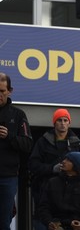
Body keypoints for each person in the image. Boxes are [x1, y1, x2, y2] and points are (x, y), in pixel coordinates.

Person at [30, 108, 80, 226]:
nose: (62, 123)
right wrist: (52, 169)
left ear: (69, 123)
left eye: (65, 120)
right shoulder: (43, 142)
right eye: (59, 120)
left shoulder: (77, 142)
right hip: (45, 189)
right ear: (54, 123)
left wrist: (76, 173)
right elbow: (33, 164)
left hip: (73, 192)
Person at [0, 73, 32, 230]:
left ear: (9, 91)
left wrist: (9, 136)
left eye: (2, 91)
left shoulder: (18, 115)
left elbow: (27, 144)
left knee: (4, 221)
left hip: (7, 177)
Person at [37, 151, 80, 230]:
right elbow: (43, 206)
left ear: (76, 165)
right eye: (65, 159)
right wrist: (49, 222)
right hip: (55, 225)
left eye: (68, 160)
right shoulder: (52, 182)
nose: (63, 161)